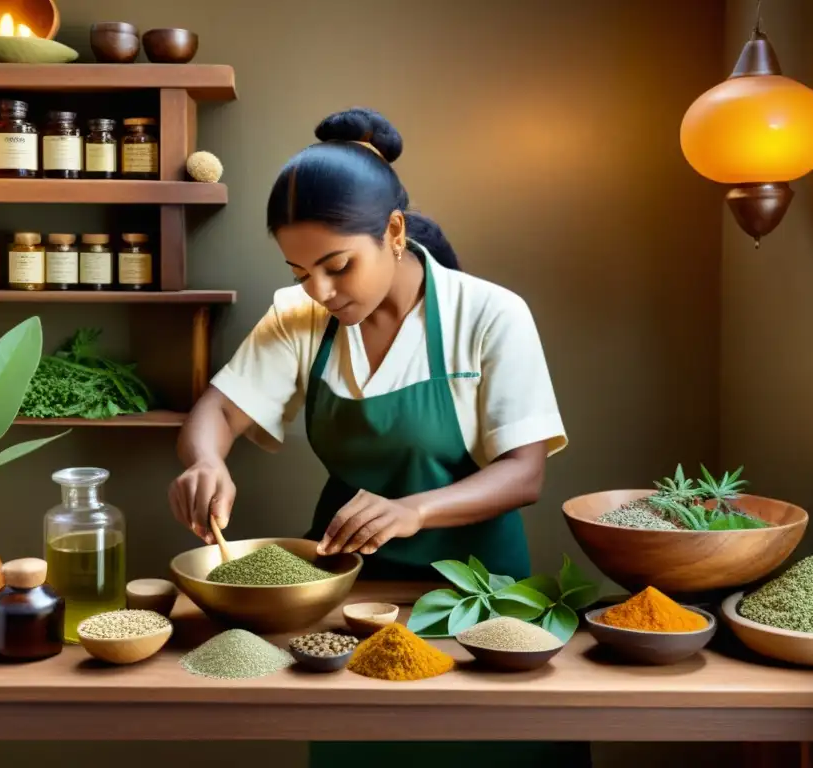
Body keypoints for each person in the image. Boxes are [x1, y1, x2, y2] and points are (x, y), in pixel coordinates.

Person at [169, 108, 588, 767]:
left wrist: (412, 509)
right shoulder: (300, 318)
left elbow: (524, 471)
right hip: (346, 593)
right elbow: (216, 413)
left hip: (478, 594)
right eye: (300, 271)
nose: (322, 290)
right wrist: (203, 463)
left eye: (337, 265)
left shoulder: (488, 315)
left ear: (393, 232)